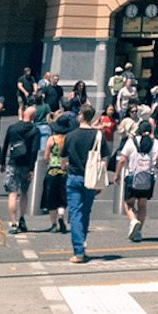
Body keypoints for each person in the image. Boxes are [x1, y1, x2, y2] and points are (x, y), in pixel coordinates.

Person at [63, 105, 105, 264]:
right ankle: (82, 242)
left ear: (81, 115)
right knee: (86, 211)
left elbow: (63, 159)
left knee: (75, 213)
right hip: (91, 178)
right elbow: (104, 158)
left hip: (74, 176)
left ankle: (78, 250)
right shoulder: (97, 135)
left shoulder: (70, 136)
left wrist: (65, 166)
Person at [116, 119, 158, 241]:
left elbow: (122, 160)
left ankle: (133, 220)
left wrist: (117, 174)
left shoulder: (131, 142)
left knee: (128, 204)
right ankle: (139, 232)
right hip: (148, 179)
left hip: (132, 177)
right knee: (142, 205)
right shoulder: (155, 143)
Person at [3, 103, 41, 233]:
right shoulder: (35, 131)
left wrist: (2, 162)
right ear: (33, 117)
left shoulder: (13, 128)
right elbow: (34, 150)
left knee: (12, 193)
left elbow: (5, 145)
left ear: (23, 113)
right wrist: (31, 169)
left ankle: (13, 223)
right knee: (24, 192)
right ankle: (22, 218)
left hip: (13, 163)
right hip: (26, 165)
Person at [40, 112, 73, 232]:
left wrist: (48, 161)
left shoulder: (51, 139)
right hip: (64, 171)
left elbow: (46, 156)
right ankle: (61, 216)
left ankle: (54, 224)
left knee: (51, 198)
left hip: (52, 170)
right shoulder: (68, 139)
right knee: (62, 197)